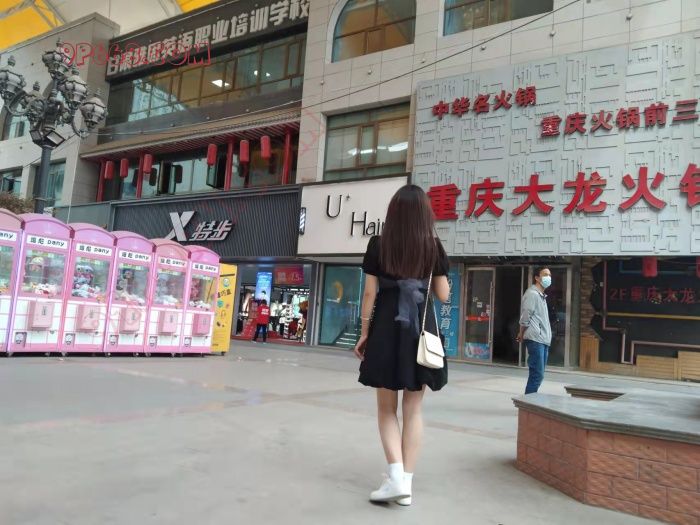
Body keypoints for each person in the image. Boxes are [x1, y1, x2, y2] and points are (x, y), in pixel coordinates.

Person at [353, 184, 450, 506]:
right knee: (414, 408)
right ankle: (405, 484)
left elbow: (370, 293)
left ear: (393, 213)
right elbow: (443, 295)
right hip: (420, 330)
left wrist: (364, 332)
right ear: (425, 214)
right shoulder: (433, 247)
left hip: (385, 328)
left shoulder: (379, 244)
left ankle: (395, 478)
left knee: (386, 408)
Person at [516, 267, 553, 394]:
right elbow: (526, 315)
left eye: (549, 275)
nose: (548, 277)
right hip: (535, 339)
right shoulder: (532, 294)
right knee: (537, 375)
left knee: (539, 375)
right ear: (537, 278)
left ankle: (530, 400)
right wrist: (521, 332)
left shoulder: (541, 296)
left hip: (543, 339)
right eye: (545, 275)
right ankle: (529, 401)